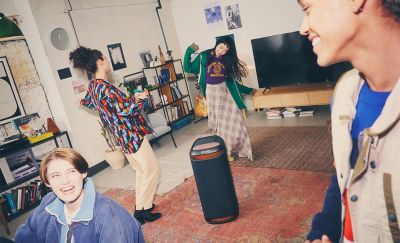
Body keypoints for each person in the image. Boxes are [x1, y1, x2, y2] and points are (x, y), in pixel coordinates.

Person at [297, 0, 400, 242]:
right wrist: (327, 228)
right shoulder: (344, 91)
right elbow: (344, 174)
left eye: (308, 9)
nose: (303, 28)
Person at [69, 46, 161, 224]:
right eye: (106, 58)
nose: (108, 62)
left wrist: (134, 98)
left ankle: (142, 207)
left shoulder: (94, 87)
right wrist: (141, 99)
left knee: (142, 171)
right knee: (151, 169)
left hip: (121, 136)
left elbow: (98, 104)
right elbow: (126, 111)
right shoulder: (105, 88)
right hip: (132, 135)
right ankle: (143, 209)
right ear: (99, 62)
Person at [15, 148, 144, 243]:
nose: (65, 181)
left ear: (83, 173)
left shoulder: (109, 214)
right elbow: (25, 236)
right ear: (47, 182)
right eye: (55, 175)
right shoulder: (48, 203)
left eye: (71, 171)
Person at [183, 36, 256, 161]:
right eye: (221, 46)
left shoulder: (226, 60)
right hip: (212, 94)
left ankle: (242, 148)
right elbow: (188, 68)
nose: (222, 51)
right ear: (217, 44)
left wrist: (249, 90)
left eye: (226, 49)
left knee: (237, 120)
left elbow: (233, 83)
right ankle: (225, 152)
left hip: (226, 93)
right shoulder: (203, 57)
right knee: (220, 125)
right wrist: (189, 51)